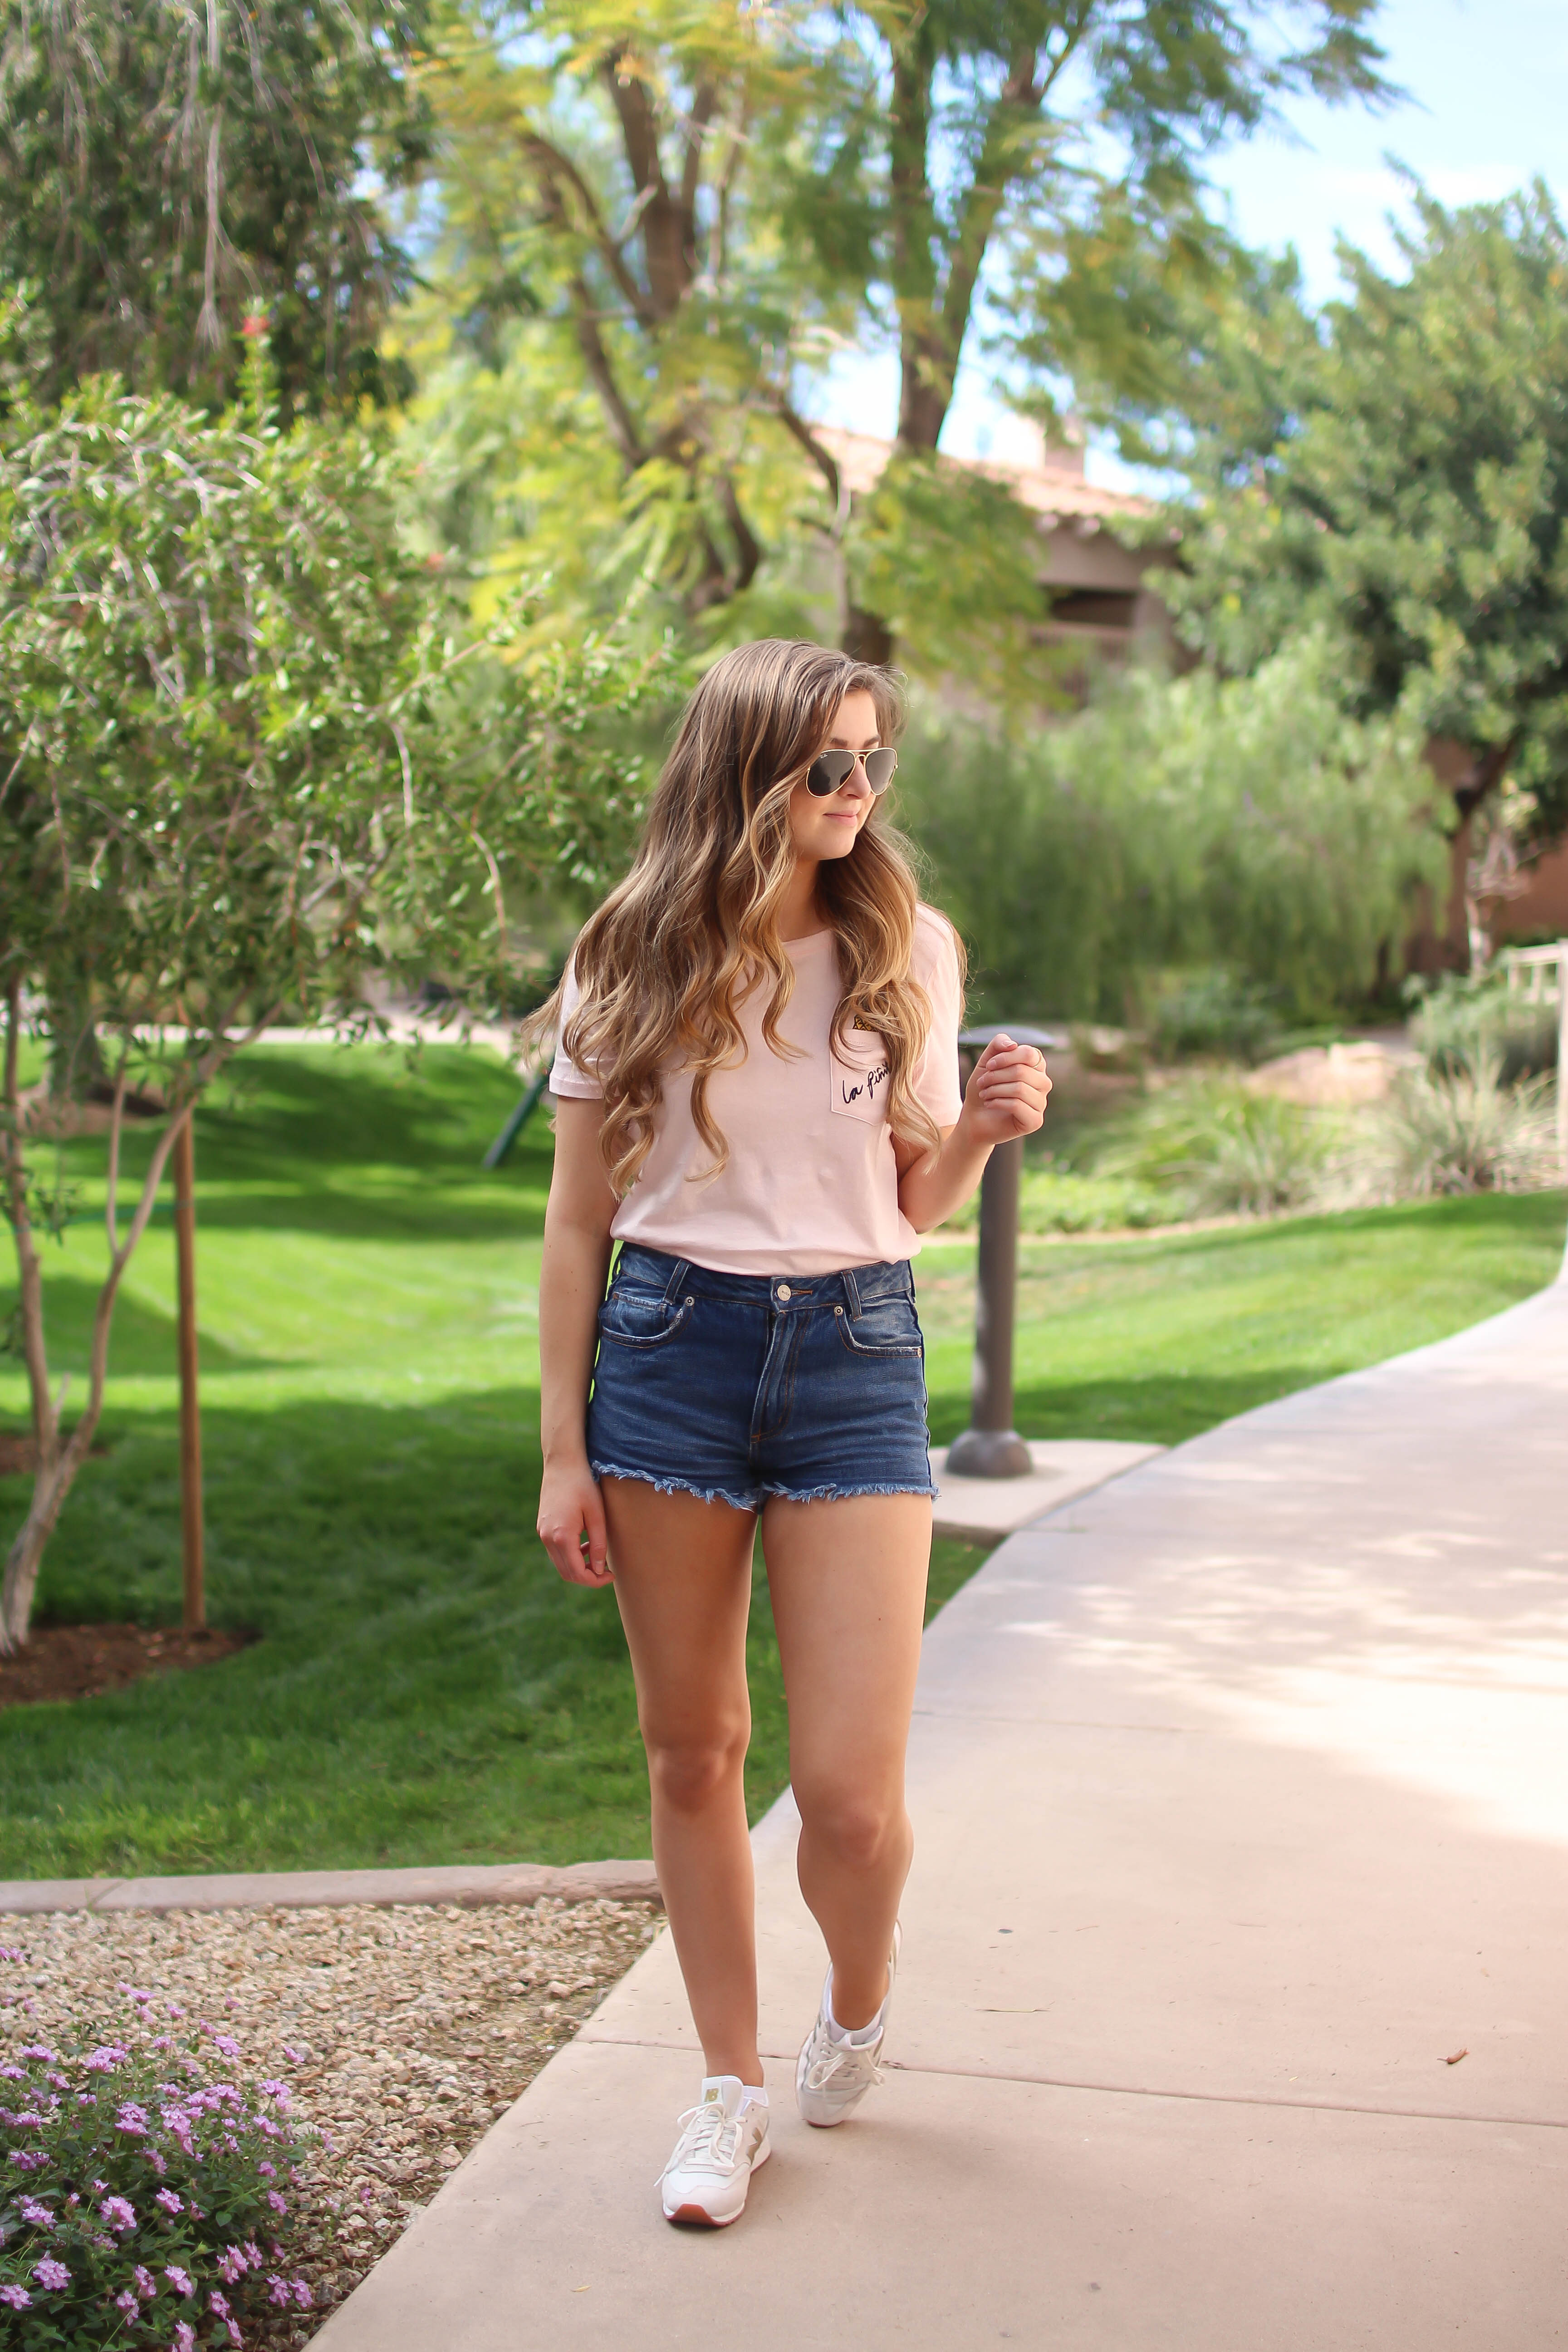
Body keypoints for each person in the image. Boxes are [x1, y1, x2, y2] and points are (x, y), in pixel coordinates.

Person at [534, 639, 1050, 2228]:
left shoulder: (906, 943)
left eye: (873, 762)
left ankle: (861, 1996)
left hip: (852, 1356)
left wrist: (969, 1129)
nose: (859, 793)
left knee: (848, 1796)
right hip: (670, 1353)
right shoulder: (629, 948)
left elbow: (906, 1205)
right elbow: (574, 1224)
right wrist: (562, 1447)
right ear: (748, 770)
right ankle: (724, 2091)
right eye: (829, 765)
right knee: (694, 1754)